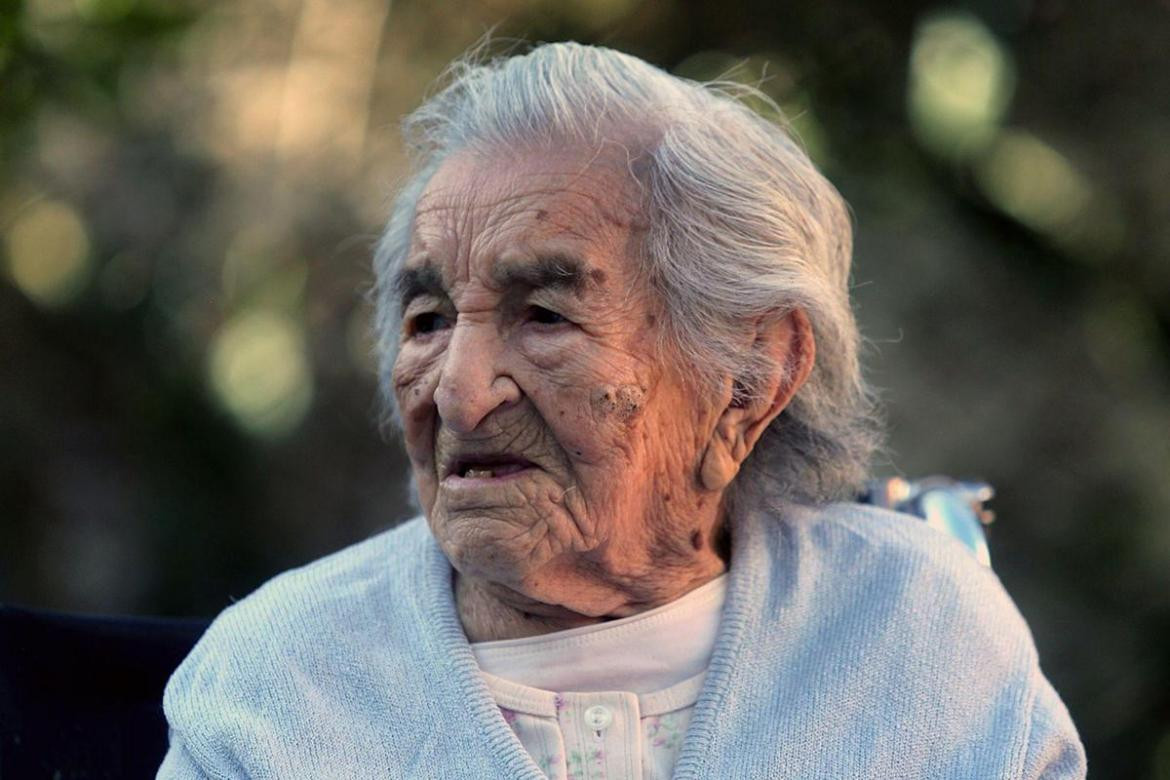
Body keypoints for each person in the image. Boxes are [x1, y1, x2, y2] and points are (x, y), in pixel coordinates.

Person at [158, 42, 1086, 778]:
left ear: (750, 379)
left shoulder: (919, 636)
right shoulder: (277, 685)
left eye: (546, 315)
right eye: (429, 319)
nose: (459, 392)